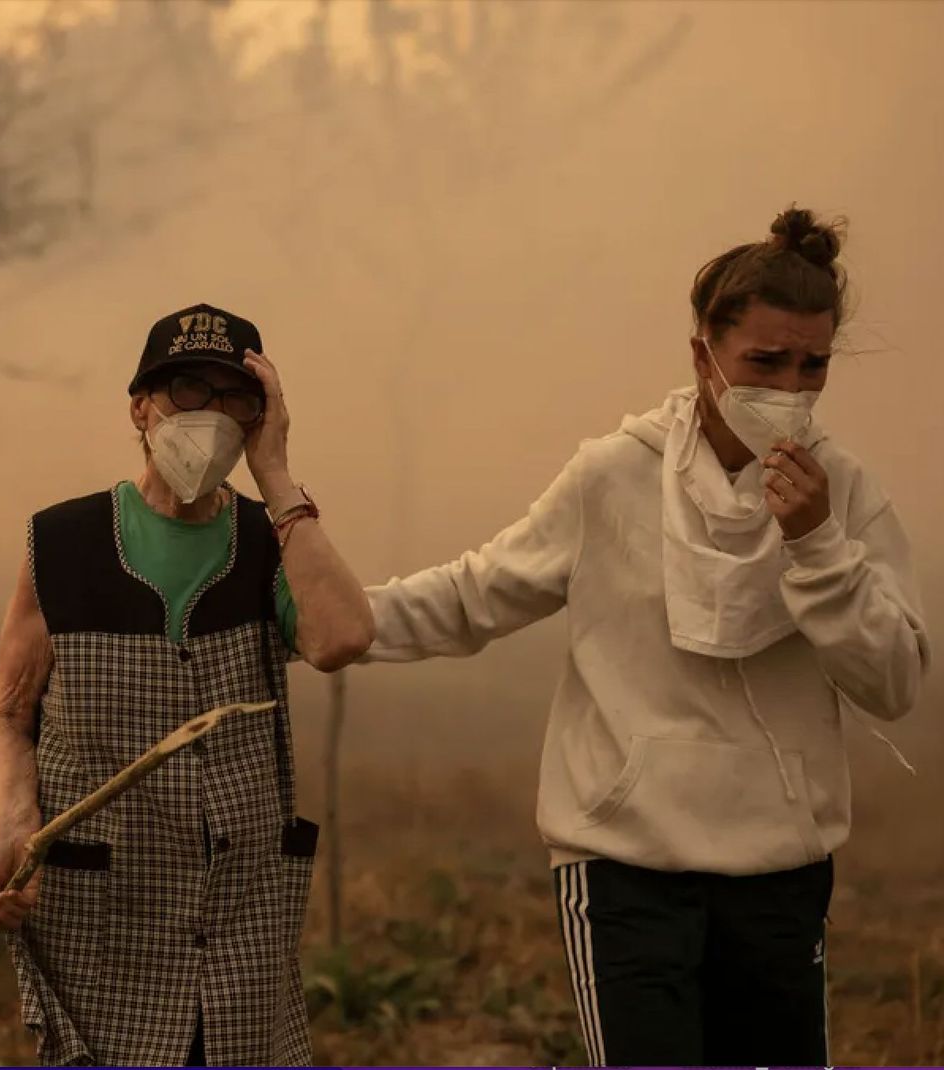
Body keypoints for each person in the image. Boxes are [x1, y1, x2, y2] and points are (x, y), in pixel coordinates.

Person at [360, 207, 929, 1066]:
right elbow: (479, 593)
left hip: (781, 873)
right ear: (704, 355)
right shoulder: (612, 478)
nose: (790, 390)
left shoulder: (842, 492)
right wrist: (327, 618)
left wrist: (816, 543)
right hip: (626, 868)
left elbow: (893, 680)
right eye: (764, 362)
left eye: (813, 367)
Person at [0, 303, 374, 1067]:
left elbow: (341, 637)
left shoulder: (271, 539)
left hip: (236, 931)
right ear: (141, 406)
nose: (212, 417)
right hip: (103, 924)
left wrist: (278, 473)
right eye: (189, 390)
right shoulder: (64, 543)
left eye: (237, 399)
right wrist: (11, 818)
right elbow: (6, 713)